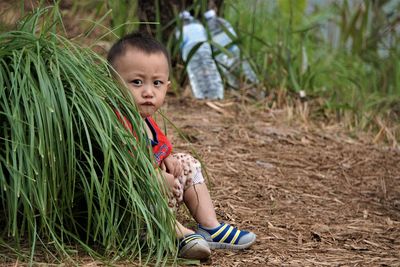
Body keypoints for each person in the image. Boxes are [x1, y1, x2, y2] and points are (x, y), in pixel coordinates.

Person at [107, 32, 256, 260]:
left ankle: (209, 226)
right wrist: (152, 177)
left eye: (156, 83)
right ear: (112, 82)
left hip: (164, 194)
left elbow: (159, 143)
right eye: (136, 82)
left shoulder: (145, 119)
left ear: (167, 86)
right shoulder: (114, 121)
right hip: (134, 211)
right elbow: (124, 168)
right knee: (141, 188)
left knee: (188, 162)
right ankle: (175, 233)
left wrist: (168, 157)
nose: (148, 92)